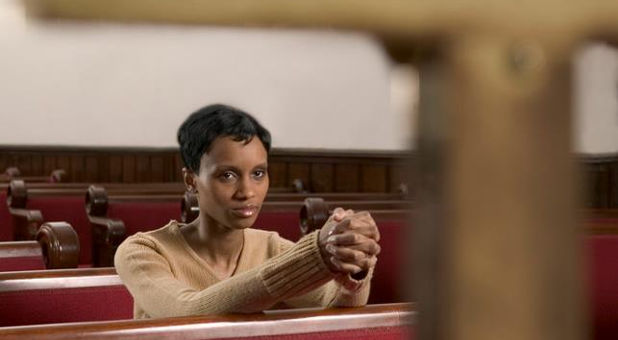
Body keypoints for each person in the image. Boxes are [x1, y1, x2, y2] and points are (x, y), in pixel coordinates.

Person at [114, 104, 381, 318]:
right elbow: (188, 312)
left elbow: (330, 306)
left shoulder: (271, 247)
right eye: (227, 175)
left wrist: (351, 266)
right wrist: (316, 254)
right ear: (191, 180)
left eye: (258, 173)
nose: (247, 191)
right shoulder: (142, 250)